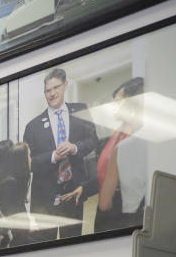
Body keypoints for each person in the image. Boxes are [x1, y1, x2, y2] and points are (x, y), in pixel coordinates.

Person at [22, 67, 97, 240]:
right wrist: (52, 157)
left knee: (72, 245)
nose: (52, 93)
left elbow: (93, 140)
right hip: (44, 200)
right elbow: (27, 163)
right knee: (43, 249)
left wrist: (75, 148)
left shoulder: (80, 110)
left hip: (73, 192)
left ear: (65, 86)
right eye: (48, 90)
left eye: (56, 88)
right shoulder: (33, 127)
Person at [95, 77, 147, 233]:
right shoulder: (118, 133)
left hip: (125, 212)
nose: (114, 106)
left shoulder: (138, 135)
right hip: (108, 209)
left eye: (118, 101)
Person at [0, 140, 34, 246]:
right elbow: (18, 228)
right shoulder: (10, 185)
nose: (30, 159)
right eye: (29, 155)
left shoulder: (8, 182)